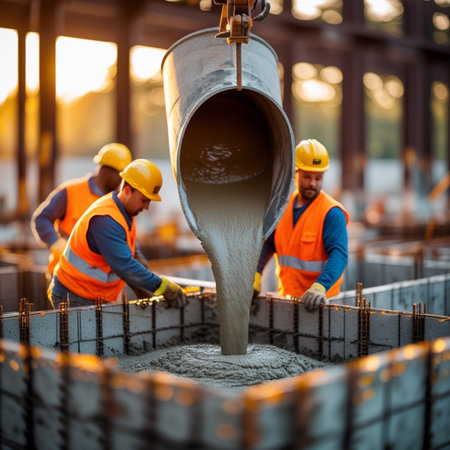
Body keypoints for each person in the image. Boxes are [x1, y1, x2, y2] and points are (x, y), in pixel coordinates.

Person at [49, 158, 186, 309]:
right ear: (127, 190)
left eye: (149, 202)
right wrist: (163, 287)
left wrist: (141, 281)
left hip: (93, 294)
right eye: (144, 200)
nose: (146, 207)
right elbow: (124, 265)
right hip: (73, 294)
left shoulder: (126, 212)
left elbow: (130, 253)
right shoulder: (106, 221)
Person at [253, 139, 349, 311]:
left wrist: (320, 286)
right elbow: (268, 243)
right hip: (287, 301)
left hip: (321, 303)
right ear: (294, 173)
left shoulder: (332, 213)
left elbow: (339, 255)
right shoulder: (281, 208)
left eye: (318, 178)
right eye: (307, 177)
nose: (313, 183)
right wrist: (256, 273)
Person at [31, 143, 133, 279]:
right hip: (65, 277)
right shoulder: (70, 191)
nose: (121, 182)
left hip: (98, 282)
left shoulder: (116, 202)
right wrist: (55, 242)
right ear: (108, 171)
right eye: (120, 176)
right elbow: (41, 219)